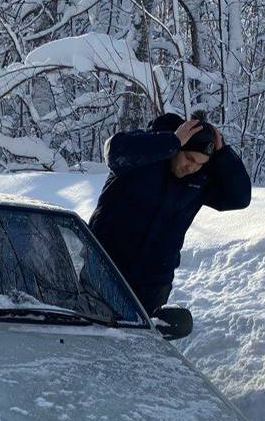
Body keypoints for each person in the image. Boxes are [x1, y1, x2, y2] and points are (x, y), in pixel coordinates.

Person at [88, 111, 252, 315]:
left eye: (200, 163)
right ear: (177, 148)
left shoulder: (199, 181)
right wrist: (171, 140)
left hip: (154, 283)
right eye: (189, 158)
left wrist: (225, 156)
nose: (191, 167)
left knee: (142, 345)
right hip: (103, 268)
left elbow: (240, 198)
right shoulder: (141, 160)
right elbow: (114, 152)